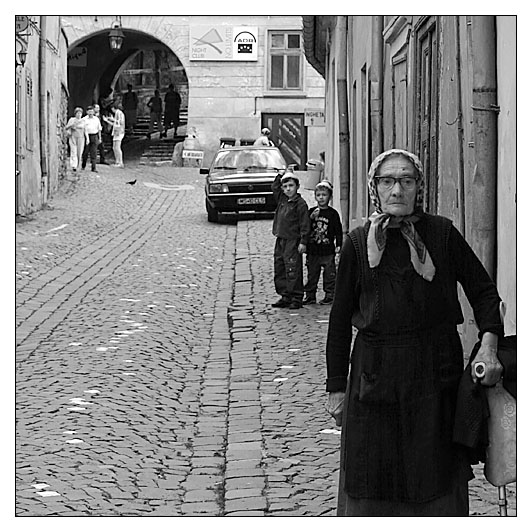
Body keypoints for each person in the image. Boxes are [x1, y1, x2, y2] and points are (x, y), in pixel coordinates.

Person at [325, 149, 504, 516]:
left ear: (418, 187)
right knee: (372, 474)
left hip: (433, 377)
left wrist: (488, 345)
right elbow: (340, 319)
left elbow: (484, 293)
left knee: (435, 474)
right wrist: (336, 387)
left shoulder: (441, 234)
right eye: (388, 181)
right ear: (375, 188)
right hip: (374, 378)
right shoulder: (359, 243)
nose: (397, 189)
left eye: (407, 180)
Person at [271, 170, 311, 309]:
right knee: (280, 267)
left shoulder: (300, 204)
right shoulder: (282, 200)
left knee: (292, 268)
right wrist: (280, 175)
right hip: (281, 239)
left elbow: (305, 224)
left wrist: (303, 241)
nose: (288, 189)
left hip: (293, 241)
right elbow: (274, 188)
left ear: (297, 187)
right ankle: (285, 295)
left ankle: (296, 296)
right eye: (285, 186)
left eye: (291, 186)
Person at [302, 180, 343, 305]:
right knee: (312, 275)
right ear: (315, 197)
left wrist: (339, 244)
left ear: (329, 197)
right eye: (318, 195)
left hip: (327, 250)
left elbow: (338, 230)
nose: (321, 198)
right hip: (313, 250)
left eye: (324, 195)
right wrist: (310, 218)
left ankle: (330, 295)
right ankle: (310, 296)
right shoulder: (311, 212)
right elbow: (305, 228)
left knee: (329, 275)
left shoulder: (333, 214)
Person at [103, 101, 126, 168]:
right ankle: (118, 161)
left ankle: (120, 162)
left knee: (117, 147)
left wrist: (108, 120)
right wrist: (110, 119)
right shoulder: (119, 113)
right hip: (118, 131)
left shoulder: (118, 113)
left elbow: (117, 123)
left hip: (118, 132)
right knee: (115, 147)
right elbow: (117, 122)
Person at [81, 105, 102, 172]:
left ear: (93, 112)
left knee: (94, 152)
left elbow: (99, 129)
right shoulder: (84, 119)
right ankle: (83, 165)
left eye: (92, 111)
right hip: (86, 136)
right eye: (89, 111)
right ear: (87, 112)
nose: (90, 113)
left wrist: (100, 138)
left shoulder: (96, 119)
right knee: (85, 152)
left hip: (94, 136)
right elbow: (83, 129)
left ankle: (93, 167)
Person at [65, 107, 86, 172]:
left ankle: (78, 165)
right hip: (73, 137)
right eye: (77, 113)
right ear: (75, 114)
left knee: (79, 152)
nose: (79, 114)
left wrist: (87, 138)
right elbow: (66, 127)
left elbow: (85, 130)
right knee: (73, 151)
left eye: (80, 113)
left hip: (81, 138)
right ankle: (73, 165)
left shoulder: (83, 121)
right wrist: (71, 125)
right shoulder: (72, 119)